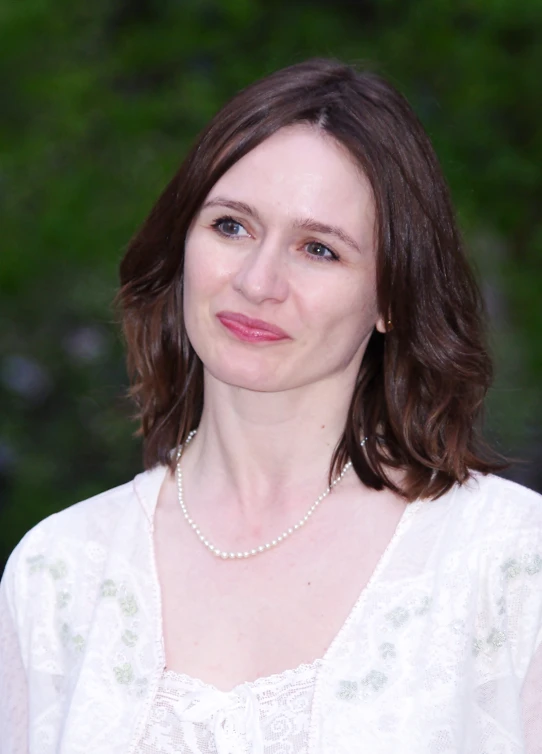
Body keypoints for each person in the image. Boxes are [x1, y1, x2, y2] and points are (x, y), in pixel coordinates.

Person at [1, 58, 541, 754]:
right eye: (231, 227)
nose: (259, 281)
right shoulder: (59, 574)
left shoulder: (508, 564)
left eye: (318, 249)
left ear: (389, 299)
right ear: (182, 245)